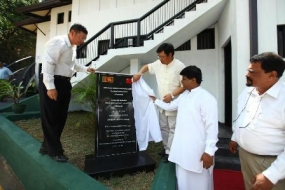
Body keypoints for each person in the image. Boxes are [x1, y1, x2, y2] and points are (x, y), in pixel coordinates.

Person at [150, 65, 218, 190]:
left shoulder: (206, 98)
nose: (182, 81)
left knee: (199, 183)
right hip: (182, 149)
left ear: (193, 80)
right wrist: (156, 101)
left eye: (184, 79)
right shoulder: (184, 96)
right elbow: (170, 106)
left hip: (196, 151)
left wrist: (209, 152)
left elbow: (212, 128)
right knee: (182, 181)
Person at [39, 23, 95, 162]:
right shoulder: (58, 42)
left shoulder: (72, 48)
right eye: (81, 38)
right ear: (73, 33)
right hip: (53, 82)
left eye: (84, 38)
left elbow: (72, 65)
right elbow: (48, 64)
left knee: (60, 117)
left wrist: (86, 69)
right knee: (51, 117)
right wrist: (50, 87)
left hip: (64, 83)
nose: (82, 41)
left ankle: (46, 146)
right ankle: (55, 151)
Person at [229, 52, 285, 190]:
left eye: (253, 72)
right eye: (248, 70)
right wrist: (235, 137)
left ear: (272, 75)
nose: (247, 75)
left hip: (271, 163)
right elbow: (240, 115)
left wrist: (271, 175)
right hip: (245, 156)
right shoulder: (248, 92)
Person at [133, 43, 185, 162]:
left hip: (174, 103)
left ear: (170, 55)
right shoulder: (158, 64)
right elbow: (147, 66)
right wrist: (139, 74)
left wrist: (172, 95)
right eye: (158, 56)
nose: (159, 59)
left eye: (162, 56)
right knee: (164, 127)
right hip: (161, 103)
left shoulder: (180, 66)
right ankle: (166, 148)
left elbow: (184, 86)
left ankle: (172, 152)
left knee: (173, 128)